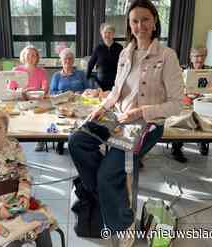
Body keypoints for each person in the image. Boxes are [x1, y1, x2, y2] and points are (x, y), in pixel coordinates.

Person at [68, 1, 183, 246]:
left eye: (145, 19)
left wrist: (142, 111)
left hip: (144, 123)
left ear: (154, 22)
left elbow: (176, 105)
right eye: (134, 21)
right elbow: (116, 92)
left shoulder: (167, 55)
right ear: (129, 25)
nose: (140, 25)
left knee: (109, 174)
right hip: (117, 118)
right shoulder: (125, 53)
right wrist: (100, 108)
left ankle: (123, 223)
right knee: (76, 140)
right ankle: (107, 194)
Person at [0, 105, 56, 247]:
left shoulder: (14, 147)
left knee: (42, 232)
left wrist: (24, 196)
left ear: (5, 129)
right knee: (12, 243)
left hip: (19, 204)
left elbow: (24, 174)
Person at [171, 47, 212, 162]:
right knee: (182, 120)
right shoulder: (182, 69)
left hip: (202, 100)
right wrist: (184, 95)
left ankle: (202, 141)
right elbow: (173, 87)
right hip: (185, 100)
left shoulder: (210, 70)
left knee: (206, 118)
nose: (200, 59)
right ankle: (176, 148)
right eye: (196, 56)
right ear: (191, 57)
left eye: (203, 56)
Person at [9, 46, 49, 152]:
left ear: (37, 58)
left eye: (33, 55)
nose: (30, 57)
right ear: (23, 56)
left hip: (36, 101)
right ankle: (14, 142)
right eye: (28, 55)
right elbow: (11, 89)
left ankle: (41, 139)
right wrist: (22, 92)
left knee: (42, 117)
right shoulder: (16, 70)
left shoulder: (42, 71)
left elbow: (45, 88)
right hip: (20, 101)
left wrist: (42, 92)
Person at [50, 48, 89, 154]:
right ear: (61, 61)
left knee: (78, 121)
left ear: (73, 61)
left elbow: (87, 89)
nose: (68, 61)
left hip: (78, 103)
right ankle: (61, 141)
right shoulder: (56, 76)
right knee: (62, 120)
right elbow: (52, 92)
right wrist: (62, 95)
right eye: (65, 59)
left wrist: (80, 94)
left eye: (70, 59)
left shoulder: (80, 74)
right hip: (62, 104)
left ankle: (77, 141)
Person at [86, 23, 123, 92]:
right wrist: (86, 79)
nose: (107, 35)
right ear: (102, 34)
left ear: (113, 34)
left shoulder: (119, 47)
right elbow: (90, 64)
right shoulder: (98, 48)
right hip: (100, 83)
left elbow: (124, 64)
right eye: (105, 32)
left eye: (109, 32)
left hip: (116, 82)